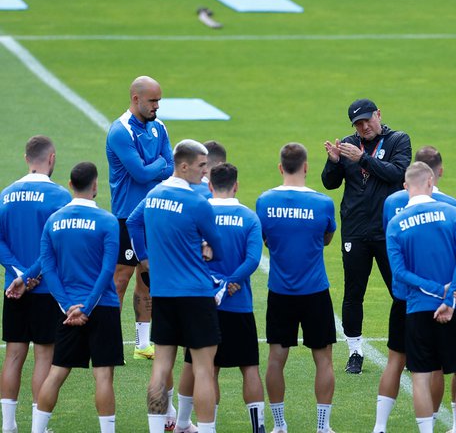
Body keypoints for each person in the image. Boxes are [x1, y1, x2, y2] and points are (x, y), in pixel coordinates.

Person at [126, 139, 223, 433]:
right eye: (201, 166)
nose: (205, 172)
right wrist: (206, 246)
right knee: (204, 371)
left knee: (160, 367)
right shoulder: (197, 202)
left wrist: (144, 259)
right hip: (195, 293)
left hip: (163, 294)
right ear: (184, 166)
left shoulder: (154, 195)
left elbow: (133, 222)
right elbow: (217, 245)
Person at [31, 162, 123, 433]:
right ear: (95, 185)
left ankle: (37, 431)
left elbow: (48, 268)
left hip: (67, 310)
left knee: (57, 371)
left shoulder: (53, 221)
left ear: (70, 185)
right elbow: (108, 270)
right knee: (103, 375)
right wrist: (88, 306)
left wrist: (68, 306)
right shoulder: (108, 221)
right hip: (102, 307)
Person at [322, 98, 411, 374]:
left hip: (389, 230)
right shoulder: (348, 144)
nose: (364, 127)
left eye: (367, 120)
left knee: (400, 292)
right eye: (358, 123)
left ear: (379, 115)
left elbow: (397, 174)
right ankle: (355, 351)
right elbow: (330, 183)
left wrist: (362, 159)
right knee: (353, 294)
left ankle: (406, 348)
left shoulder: (398, 140)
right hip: (355, 230)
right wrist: (334, 162)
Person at [175, 162, 265, 433]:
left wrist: (216, 284)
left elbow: (191, 256)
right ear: (236, 185)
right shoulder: (249, 218)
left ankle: (205, 428)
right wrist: (231, 282)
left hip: (203, 304)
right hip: (239, 305)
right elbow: (252, 260)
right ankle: (258, 428)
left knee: (206, 369)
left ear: (210, 186)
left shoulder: (198, 215)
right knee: (249, 367)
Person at [385, 162, 456, 433]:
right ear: (431, 181)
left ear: (405, 187)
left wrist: (436, 290)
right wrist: (449, 297)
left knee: (421, 378)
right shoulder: (452, 212)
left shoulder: (395, 223)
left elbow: (399, 273)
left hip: (418, 308)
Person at [373, 146, 455, 433]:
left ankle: (380, 426)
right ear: (437, 173)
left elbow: (391, 243)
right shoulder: (451, 205)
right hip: (439, 298)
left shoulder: (391, 202)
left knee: (395, 359)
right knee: (437, 367)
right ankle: (429, 423)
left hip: (404, 294)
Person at [256, 143, 337, 433]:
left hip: (280, 291)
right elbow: (326, 238)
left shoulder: (264, 202)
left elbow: (264, 239)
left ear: (281, 168)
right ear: (306, 167)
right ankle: (322, 426)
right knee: (323, 360)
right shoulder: (323, 203)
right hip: (315, 291)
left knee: (276, 359)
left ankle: (279, 425)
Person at [0, 135, 71, 433]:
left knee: (13, 355)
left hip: (12, 289)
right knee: (44, 354)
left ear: (26, 158)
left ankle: (8, 425)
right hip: (44, 288)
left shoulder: (5, 194)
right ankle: (37, 427)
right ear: (51, 158)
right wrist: (30, 276)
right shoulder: (60, 197)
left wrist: (17, 274)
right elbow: (55, 245)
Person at [106, 75, 174, 362]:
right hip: (126, 216)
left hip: (154, 214)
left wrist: (155, 166)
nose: (157, 106)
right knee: (120, 278)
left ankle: (142, 343)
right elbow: (142, 173)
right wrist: (157, 165)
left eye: (159, 100)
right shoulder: (120, 131)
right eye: (152, 101)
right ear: (136, 99)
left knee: (147, 277)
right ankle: (108, 341)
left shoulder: (159, 127)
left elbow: (171, 167)